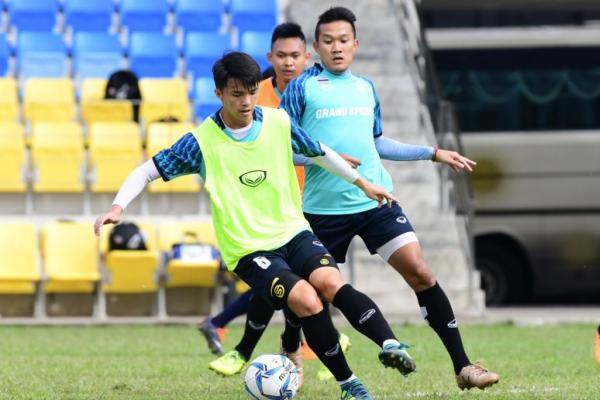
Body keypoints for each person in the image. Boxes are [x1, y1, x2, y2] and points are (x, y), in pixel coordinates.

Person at [94, 51, 409, 400]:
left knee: (329, 282)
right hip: (249, 248)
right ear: (219, 94)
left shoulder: (278, 122)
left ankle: (388, 342)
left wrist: (362, 183)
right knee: (305, 299)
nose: (246, 102)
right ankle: (349, 384)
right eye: (236, 94)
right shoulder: (201, 141)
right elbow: (147, 170)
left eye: (251, 92)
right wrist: (117, 205)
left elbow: (320, 151)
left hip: (293, 230)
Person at [279, 6, 500, 391]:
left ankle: (463, 366)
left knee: (421, 272)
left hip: (375, 202)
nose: (337, 48)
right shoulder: (301, 88)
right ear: (315, 47)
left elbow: (377, 143)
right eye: (328, 41)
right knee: (307, 297)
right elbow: (281, 147)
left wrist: (432, 152)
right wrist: (323, 155)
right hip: (322, 211)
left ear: (355, 45)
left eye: (343, 41)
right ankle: (293, 348)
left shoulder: (365, 87)